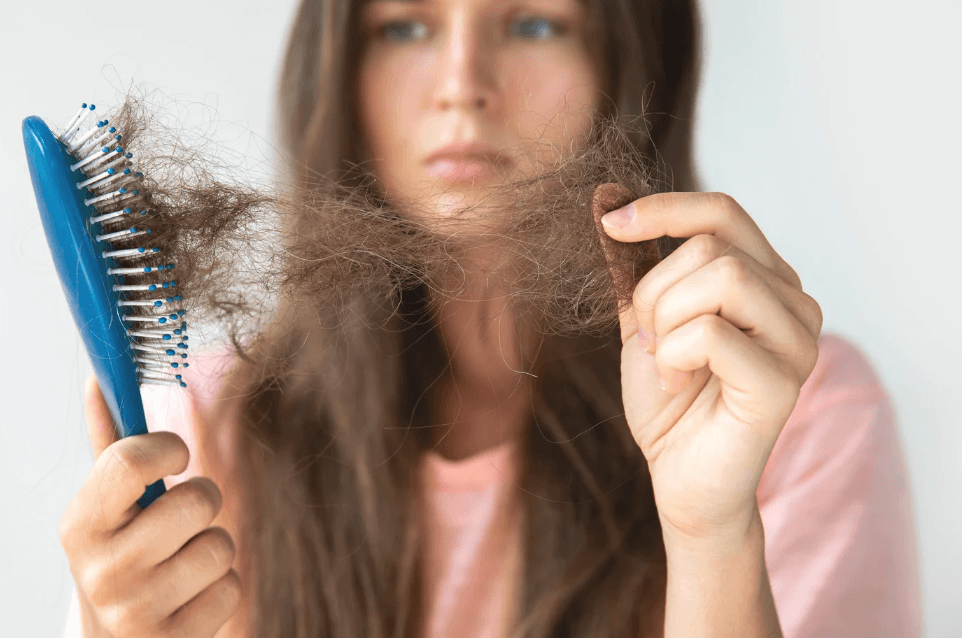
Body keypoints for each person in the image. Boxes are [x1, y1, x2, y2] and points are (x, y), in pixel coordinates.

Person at [58, 0, 922, 636]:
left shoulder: (783, 407)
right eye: (404, 26)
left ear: (628, 64)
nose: (462, 84)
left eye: (535, 22)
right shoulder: (210, 433)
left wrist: (712, 534)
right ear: (339, 70)